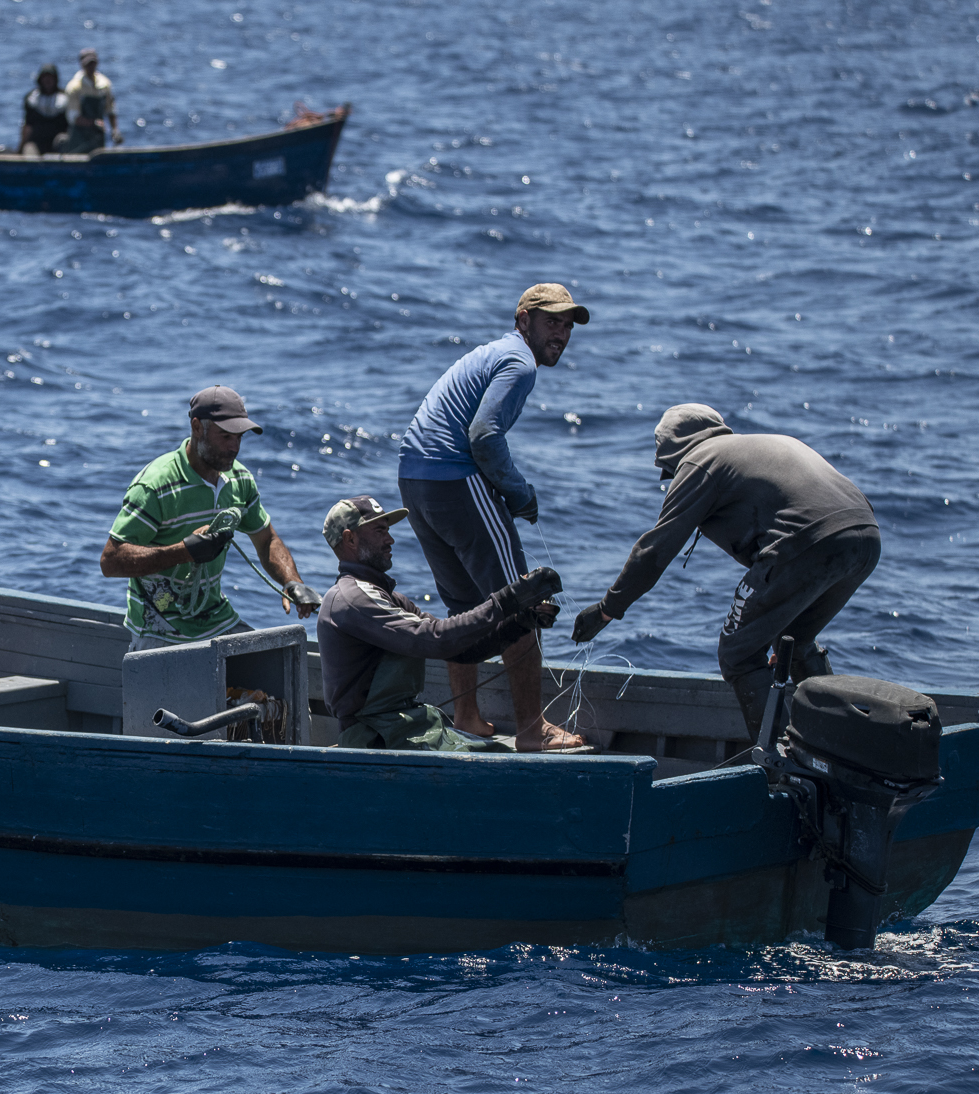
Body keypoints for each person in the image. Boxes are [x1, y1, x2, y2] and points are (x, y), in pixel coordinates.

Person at [570, 403, 881, 739]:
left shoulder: (699, 461)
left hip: (808, 543)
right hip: (865, 534)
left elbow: (654, 551)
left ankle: (779, 763)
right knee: (796, 641)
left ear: (674, 451)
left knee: (739, 652)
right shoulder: (754, 446)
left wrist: (606, 610)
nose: (672, 478)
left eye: (668, 470)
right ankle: (837, 746)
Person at [395, 282, 590, 752]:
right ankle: (532, 730)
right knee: (521, 605)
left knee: (465, 608)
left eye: (567, 325)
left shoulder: (491, 353)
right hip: (453, 478)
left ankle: (466, 716)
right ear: (522, 319)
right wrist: (519, 492)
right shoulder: (520, 362)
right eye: (551, 322)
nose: (560, 334)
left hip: (414, 479)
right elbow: (483, 436)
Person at [317, 496, 561, 751]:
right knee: (500, 763)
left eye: (388, 531)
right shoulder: (352, 599)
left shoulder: (386, 597)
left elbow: (461, 649)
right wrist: (505, 601)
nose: (390, 540)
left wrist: (520, 622)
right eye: (380, 531)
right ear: (350, 539)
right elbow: (435, 639)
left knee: (496, 751)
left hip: (402, 728)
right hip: (374, 740)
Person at [101, 385, 320, 651]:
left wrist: (291, 581)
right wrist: (184, 552)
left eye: (239, 438)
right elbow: (111, 561)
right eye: (225, 437)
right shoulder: (155, 486)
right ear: (197, 427)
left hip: (215, 619)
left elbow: (266, 540)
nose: (234, 448)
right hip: (159, 625)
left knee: (274, 669)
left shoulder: (240, 480)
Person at [61, 47, 120, 153]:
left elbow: (110, 109)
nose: (91, 67)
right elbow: (73, 117)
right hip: (79, 136)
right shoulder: (74, 87)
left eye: (93, 63)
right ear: (81, 64)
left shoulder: (105, 84)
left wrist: (115, 130)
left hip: (98, 136)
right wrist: (93, 123)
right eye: (88, 64)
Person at [20, 64, 70, 156]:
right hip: (36, 143)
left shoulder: (65, 99)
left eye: (51, 78)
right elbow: (27, 126)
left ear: (56, 79)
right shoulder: (31, 99)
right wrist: (21, 146)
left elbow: (69, 126)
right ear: (40, 80)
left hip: (57, 143)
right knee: (29, 150)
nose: (48, 81)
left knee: (64, 140)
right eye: (45, 78)